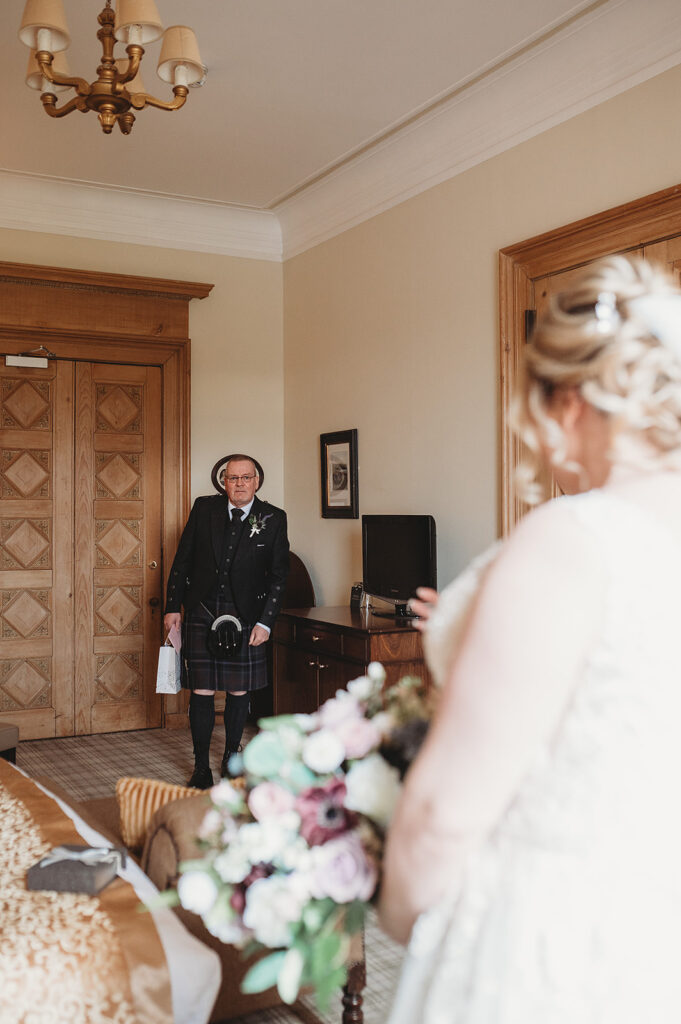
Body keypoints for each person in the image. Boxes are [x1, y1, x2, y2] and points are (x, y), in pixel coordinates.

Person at [379, 255, 681, 1023]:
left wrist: (401, 914)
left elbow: (444, 811)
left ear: (567, 399)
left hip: (561, 928)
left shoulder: (575, 535)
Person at [164, 454, 289, 788]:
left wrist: (265, 623)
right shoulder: (204, 509)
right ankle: (201, 767)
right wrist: (172, 606)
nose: (239, 484)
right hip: (203, 610)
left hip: (247, 615)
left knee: (239, 689)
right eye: (233, 478)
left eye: (246, 478)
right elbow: (182, 560)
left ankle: (232, 757)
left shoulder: (273, 518)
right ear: (224, 482)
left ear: (257, 481)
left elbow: (279, 576)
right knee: (201, 691)